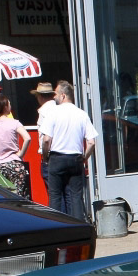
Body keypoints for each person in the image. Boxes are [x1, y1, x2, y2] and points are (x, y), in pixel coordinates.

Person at [39, 81, 97, 221]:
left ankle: (56, 228)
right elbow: (91, 142)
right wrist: (84, 158)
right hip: (76, 158)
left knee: (55, 196)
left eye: (56, 94)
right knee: (76, 196)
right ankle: (78, 228)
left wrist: (46, 157)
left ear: (63, 95)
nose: (54, 97)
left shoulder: (53, 113)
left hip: (57, 158)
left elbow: (46, 140)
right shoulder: (81, 114)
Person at [0, 95, 32, 199]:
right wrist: (21, 153)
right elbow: (27, 138)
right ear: (5, 107)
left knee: (1, 198)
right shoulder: (15, 123)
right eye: (9, 104)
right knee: (19, 198)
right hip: (14, 165)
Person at [31, 81, 58, 187]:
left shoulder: (43, 112)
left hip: (50, 156)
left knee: (54, 193)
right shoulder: (59, 109)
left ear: (40, 96)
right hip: (62, 154)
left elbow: (45, 138)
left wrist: (45, 158)